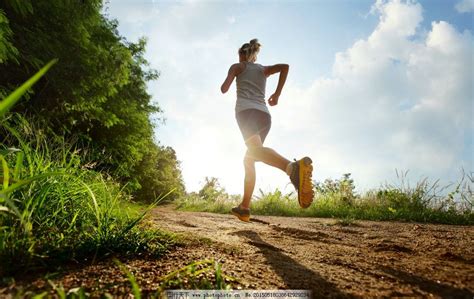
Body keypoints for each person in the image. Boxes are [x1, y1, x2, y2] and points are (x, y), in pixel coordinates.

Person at [220, 38, 314, 222]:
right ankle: (245, 207)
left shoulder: (237, 66)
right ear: (254, 56)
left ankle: (292, 168)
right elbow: (284, 67)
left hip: (246, 113)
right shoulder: (263, 69)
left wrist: (232, 75)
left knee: (254, 152)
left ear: (241, 55)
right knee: (250, 158)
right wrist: (277, 94)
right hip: (264, 115)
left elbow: (224, 88)